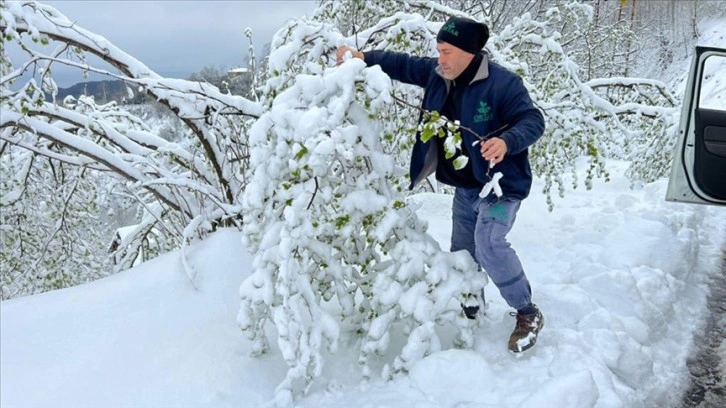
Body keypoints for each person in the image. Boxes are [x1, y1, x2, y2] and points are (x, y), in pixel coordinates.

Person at [336, 16, 546, 353]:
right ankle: (471, 308)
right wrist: (364, 57)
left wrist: (507, 141)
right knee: (464, 255)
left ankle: (527, 311)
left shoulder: (503, 83)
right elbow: (402, 64)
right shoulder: (438, 74)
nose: (440, 59)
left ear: (469, 53)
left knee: (489, 243)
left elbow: (533, 120)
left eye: (447, 52)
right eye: (438, 51)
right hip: (466, 188)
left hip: (499, 186)